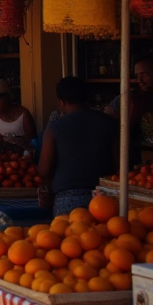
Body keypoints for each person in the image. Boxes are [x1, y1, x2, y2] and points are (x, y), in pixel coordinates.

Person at [39, 76, 120, 217]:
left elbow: (44, 170)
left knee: (69, 238)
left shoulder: (54, 128)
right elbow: (120, 165)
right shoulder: (109, 123)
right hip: (104, 197)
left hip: (68, 197)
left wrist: (49, 190)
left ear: (61, 102)